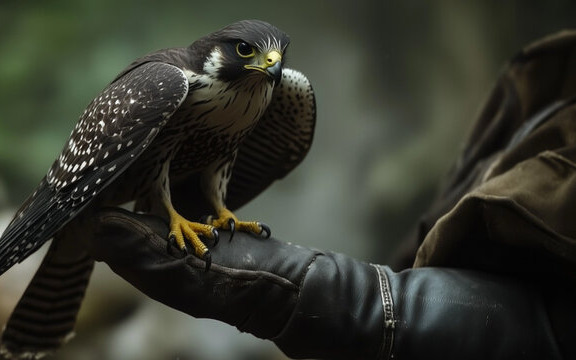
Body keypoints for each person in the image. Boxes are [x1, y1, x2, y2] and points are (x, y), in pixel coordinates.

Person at [84, 31, 576, 359]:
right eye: (251, 54)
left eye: (276, 57)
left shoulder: (544, 76)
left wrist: (380, 313)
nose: (271, 66)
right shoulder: (544, 76)